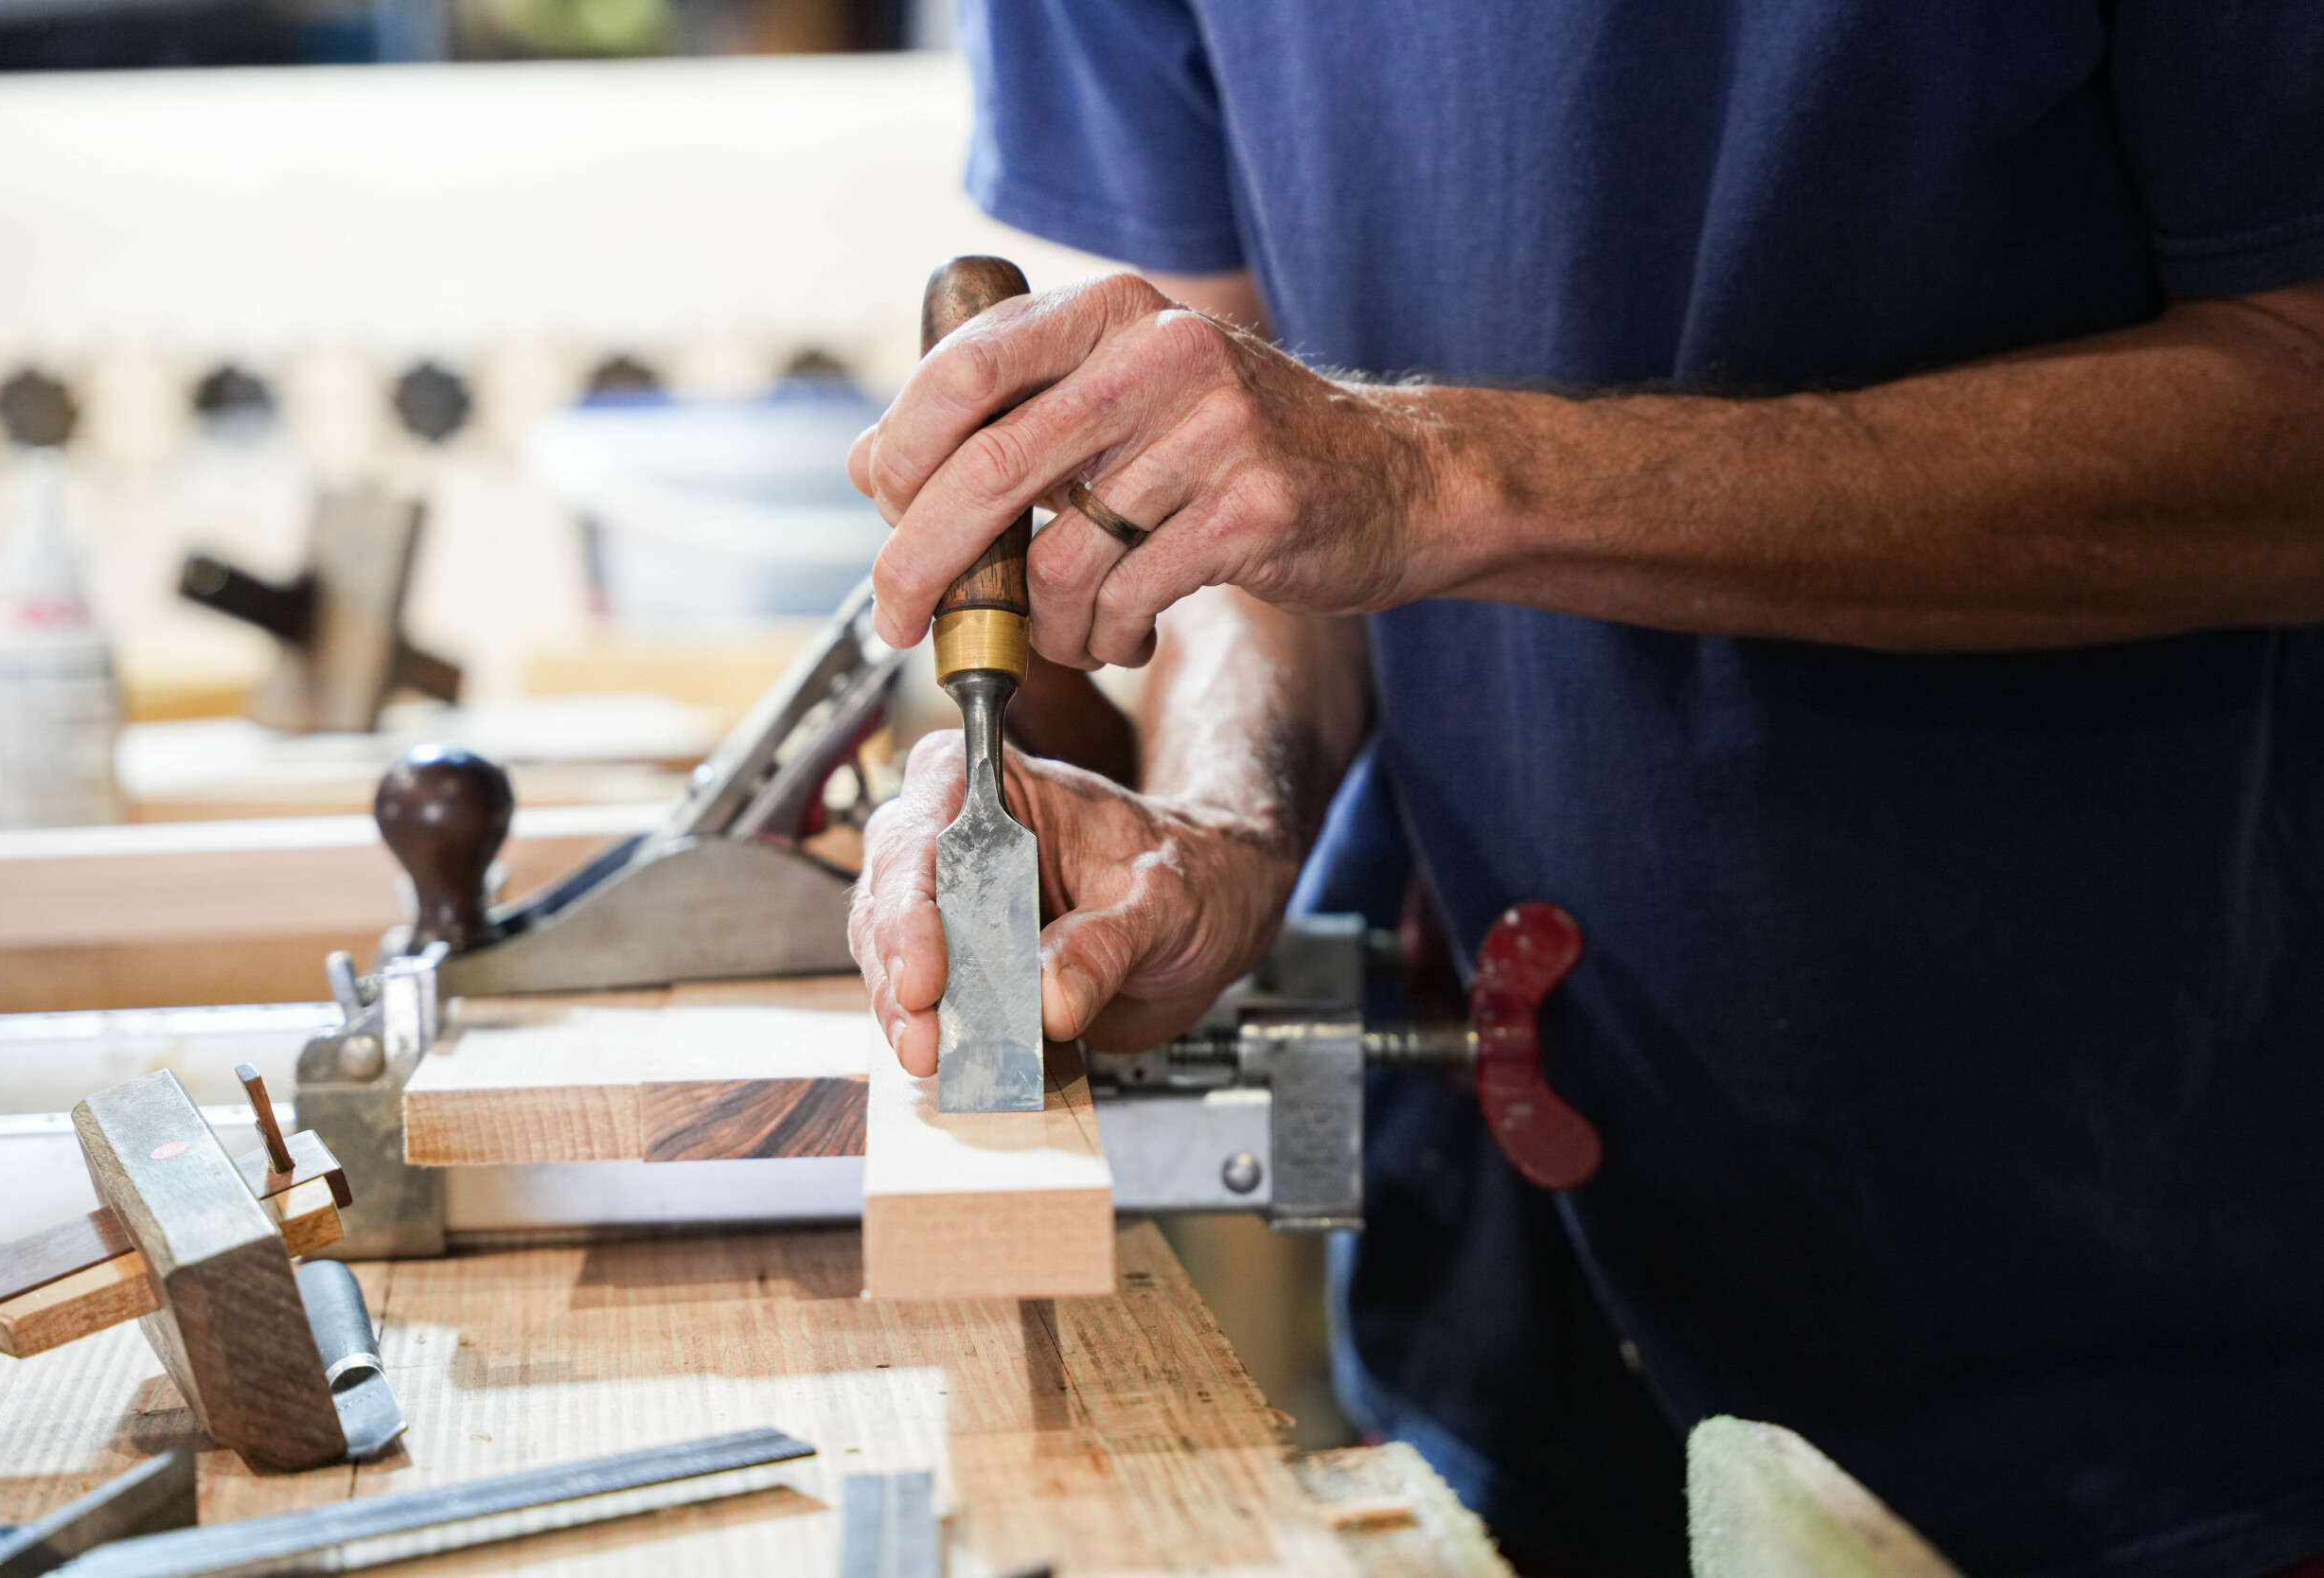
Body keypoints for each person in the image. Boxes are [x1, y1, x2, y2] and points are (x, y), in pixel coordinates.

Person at [846, 7, 2324, 1574]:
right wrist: (1220, 823)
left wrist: (1442, 477)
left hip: (2128, 1316)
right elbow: (1251, 494)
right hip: (1504, 1297)